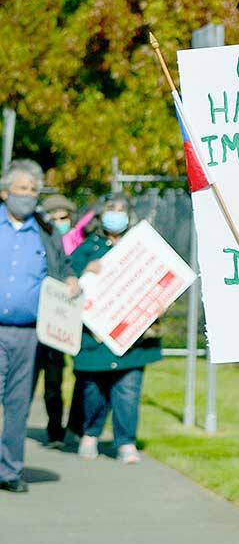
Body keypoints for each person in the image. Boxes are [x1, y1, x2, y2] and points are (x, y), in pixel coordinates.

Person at [0, 161, 76, 492]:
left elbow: (63, 267)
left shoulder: (45, 232)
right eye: (22, 189)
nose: (28, 196)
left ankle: (9, 471)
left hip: (30, 333)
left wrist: (70, 279)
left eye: (33, 190)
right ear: (5, 193)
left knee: (18, 405)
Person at [69, 194, 161, 463]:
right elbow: (68, 283)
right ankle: (90, 433)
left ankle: (125, 442)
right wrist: (86, 272)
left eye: (122, 209)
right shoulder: (87, 249)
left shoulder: (140, 247)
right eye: (111, 209)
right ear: (100, 215)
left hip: (132, 336)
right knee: (93, 390)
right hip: (94, 338)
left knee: (128, 390)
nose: (117, 214)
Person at [31, 193, 77, 445]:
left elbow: (66, 264)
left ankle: (55, 430)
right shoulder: (34, 236)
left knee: (54, 380)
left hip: (55, 318)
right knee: (24, 381)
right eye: (54, 217)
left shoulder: (57, 238)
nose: (60, 221)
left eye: (64, 217)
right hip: (31, 316)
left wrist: (69, 277)